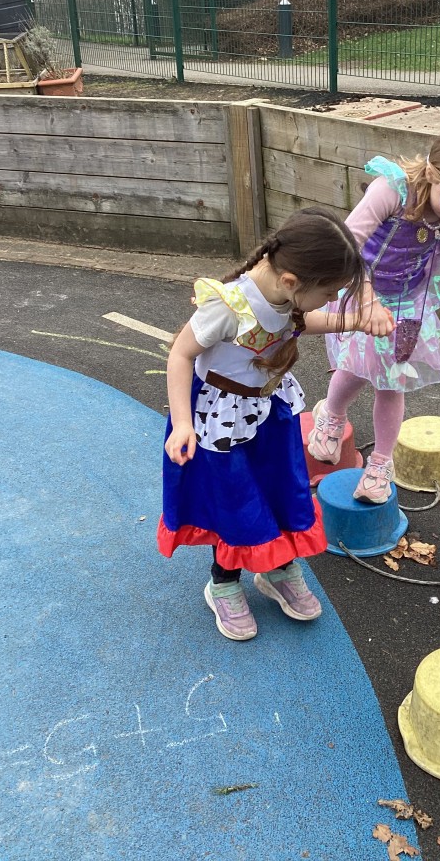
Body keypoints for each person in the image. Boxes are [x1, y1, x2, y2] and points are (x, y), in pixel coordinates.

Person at [159, 206, 393, 642]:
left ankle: (278, 568)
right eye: (329, 292)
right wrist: (182, 424)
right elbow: (181, 354)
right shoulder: (228, 306)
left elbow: (299, 321)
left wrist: (353, 321)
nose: (331, 299)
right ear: (291, 280)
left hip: (268, 411)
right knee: (234, 501)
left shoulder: (286, 292)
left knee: (281, 489)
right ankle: (223, 582)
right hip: (222, 424)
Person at [307, 121, 440, 505]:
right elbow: (346, 245)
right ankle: (331, 416)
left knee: (391, 380)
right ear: (432, 173)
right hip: (361, 288)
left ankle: (379, 468)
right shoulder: (391, 191)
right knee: (356, 367)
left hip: (409, 303)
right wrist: (367, 302)